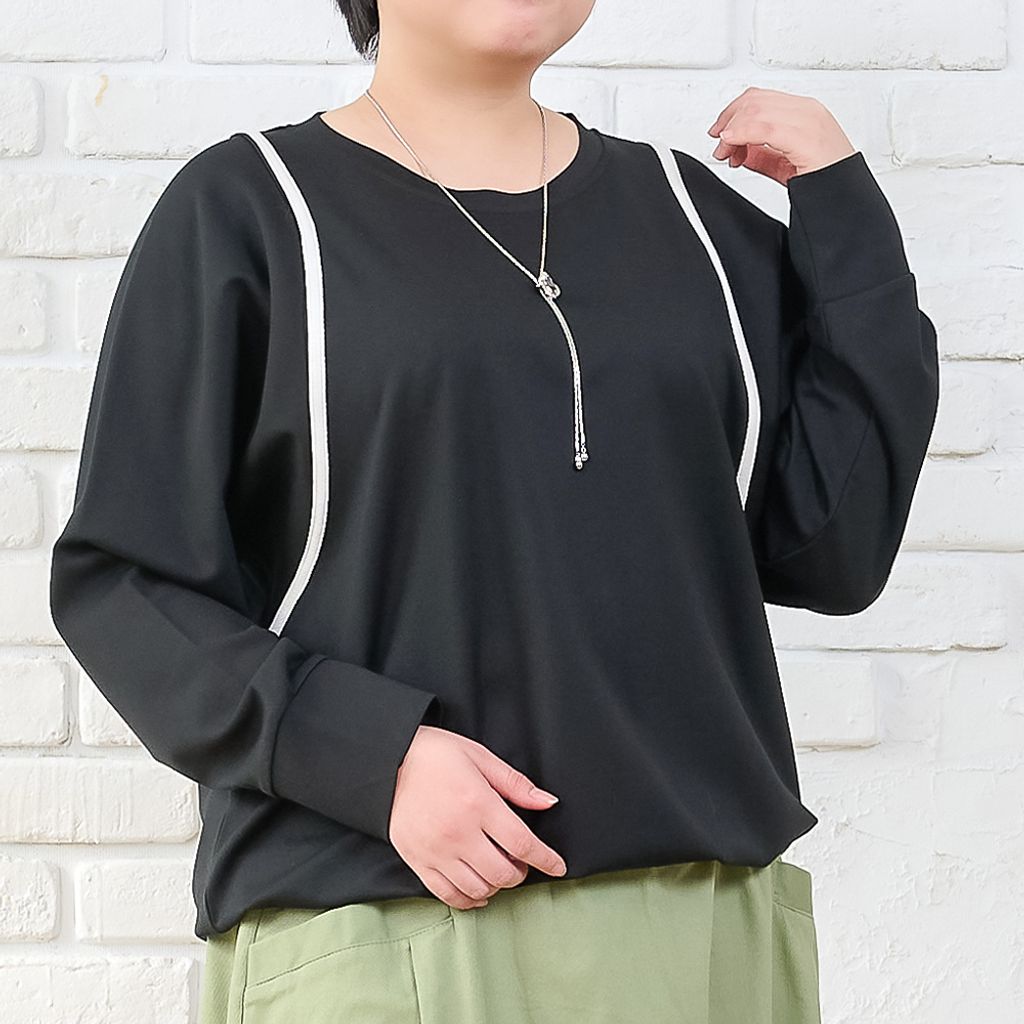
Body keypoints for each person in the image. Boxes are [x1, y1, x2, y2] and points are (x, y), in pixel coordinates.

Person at [48, 0, 940, 1021]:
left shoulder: (689, 216)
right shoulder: (250, 207)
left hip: (698, 928)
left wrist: (844, 215)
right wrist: (368, 756)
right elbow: (125, 581)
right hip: (381, 922)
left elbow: (830, 549)